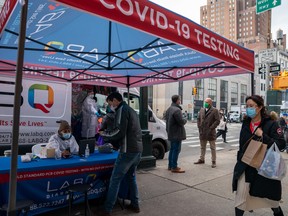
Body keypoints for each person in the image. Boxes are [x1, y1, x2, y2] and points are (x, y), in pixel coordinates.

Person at [232, 95, 286, 216]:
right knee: (240, 199)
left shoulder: (271, 124)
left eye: (251, 106)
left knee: (272, 202)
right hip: (245, 167)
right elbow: (242, 146)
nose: (248, 109)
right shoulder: (246, 123)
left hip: (264, 169)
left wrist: (263, 136)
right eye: (247, 106)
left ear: (260, 107)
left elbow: (281, 144)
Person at [98, 92, 143, 216]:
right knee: (131, 178)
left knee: (115, 180)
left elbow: (119, 131)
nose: (110, 105)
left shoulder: (121, 110)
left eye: (110, 102)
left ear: (114, 100)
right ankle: (135, 204)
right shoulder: (131, 110)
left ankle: (107, 209)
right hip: (137, 150)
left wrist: (105, 134)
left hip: (127, 151)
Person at [194, 98, 220, 168]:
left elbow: (217, 120)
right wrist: (199, 126)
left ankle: (213, 161)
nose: (205, 103)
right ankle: (202, 159)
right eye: (205, 102)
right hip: (202, 131)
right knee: (202, 147)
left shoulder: (214, 110)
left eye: (207, 102)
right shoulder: (202, 109)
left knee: (212, 147)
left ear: (210, 103)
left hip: (211, 132)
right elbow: (198, 119)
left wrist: (211, 127)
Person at [165, 95, 187, 173]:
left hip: (171, 132)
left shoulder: (169, 109)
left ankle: (170, 166)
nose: (180, 101)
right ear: (177, 100)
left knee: (172, 149)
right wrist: (185, 119)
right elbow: (181, 122)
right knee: (176, 150)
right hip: (177, 133)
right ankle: (174, 167)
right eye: (179, 100)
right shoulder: (177, 110)